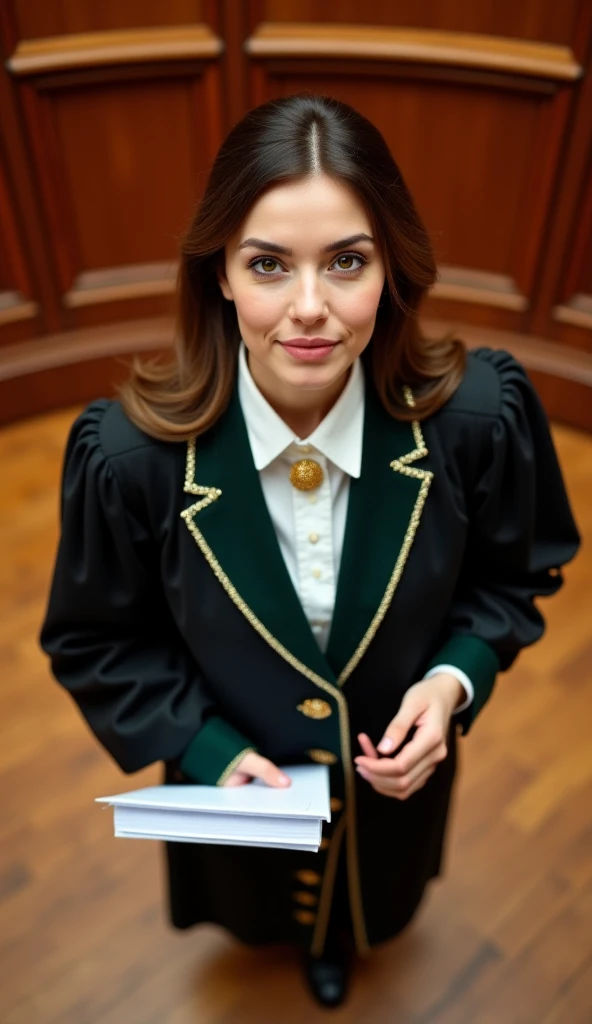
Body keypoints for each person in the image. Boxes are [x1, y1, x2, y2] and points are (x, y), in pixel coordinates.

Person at [39, 94, 580, 1009]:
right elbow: (98, 645)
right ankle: (294, 939)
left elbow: (512, 580)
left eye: (346, 262)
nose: (309, 310)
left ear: (391, 269)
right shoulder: (128, 463)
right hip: (239, 795)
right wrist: (205, 749)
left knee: (370, 899)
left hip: (391, 808)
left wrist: (453, 683)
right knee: (261, 907)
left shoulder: (481, 422)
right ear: (219, 273)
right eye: (267, 265)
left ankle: (342, 945)